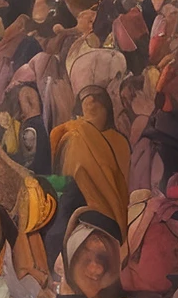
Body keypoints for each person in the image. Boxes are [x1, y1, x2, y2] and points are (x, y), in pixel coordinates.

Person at [51, 85, 133, 237]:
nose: (92, 104)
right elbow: (69, 178)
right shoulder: (75, 138)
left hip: (111, 219)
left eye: (97, 102)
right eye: (87, 103)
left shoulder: (119, 141)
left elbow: (125, 184)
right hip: (83, 218)